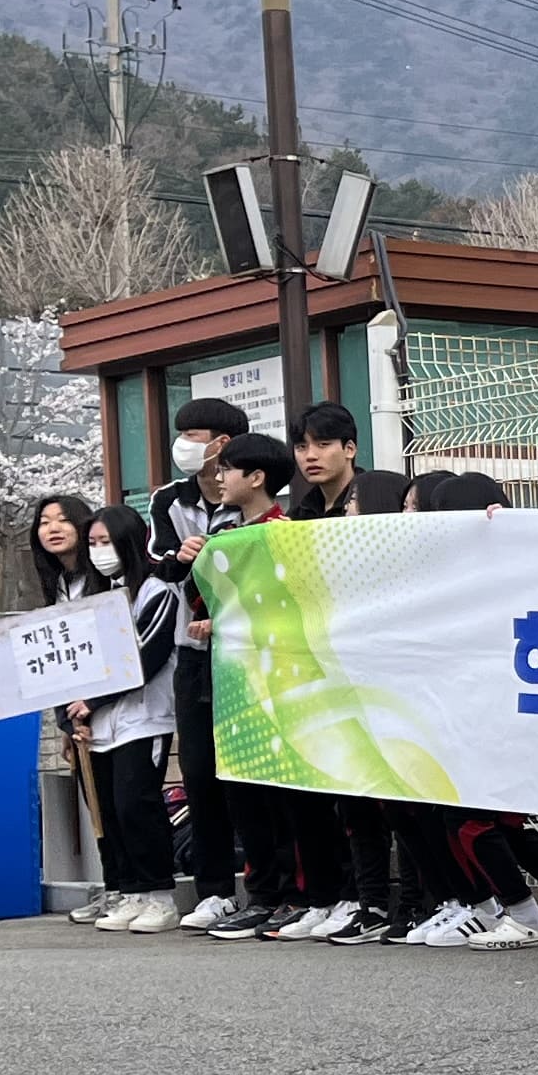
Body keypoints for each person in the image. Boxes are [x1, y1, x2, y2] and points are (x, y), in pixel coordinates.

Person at [282, 404, 409, 938]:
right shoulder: (300, 516)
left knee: (400, 796)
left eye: (322, 444)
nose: (310, 456)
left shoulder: (382, 499)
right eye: (302, 446)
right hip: (328, 668)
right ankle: (367, 901)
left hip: (387, 667)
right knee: (350, 792)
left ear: (350, 448)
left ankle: (418, 902)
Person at [187, 432, 318, 938]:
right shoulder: (223, 537)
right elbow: (207, 604)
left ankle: (294, 895)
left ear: (257, 477)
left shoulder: (285, 532)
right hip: (232, 684)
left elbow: (294, 603)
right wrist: (192, 565)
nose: (219, 477)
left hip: (279, 682)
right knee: (243, 794)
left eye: (228, 469)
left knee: (282, 796)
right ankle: (262, 894)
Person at [148, 393, 252, 931]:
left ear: (222, 444)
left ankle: (268, 886)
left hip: (249, 654)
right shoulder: (169, 498)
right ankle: (214, 891)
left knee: (251, 774)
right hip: (191, 655)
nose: (182, 445)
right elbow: (156, 561)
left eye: (192, 436)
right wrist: (178, 556)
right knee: (199, 772)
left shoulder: (254, 493)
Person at [58, 498, 185, 933]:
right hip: (96, 727)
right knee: (109, 810)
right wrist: (70, 716)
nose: (98, 551)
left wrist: (93, 700)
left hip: (142, 718)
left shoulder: (156, 592)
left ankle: (159, 894)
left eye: (106, 542)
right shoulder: (90, 598)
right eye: (92, 543)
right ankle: (130, 890)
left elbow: (145, 658)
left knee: (137, 804)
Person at [26, 490, 119, 921]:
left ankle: (135, 889)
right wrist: (66, 722)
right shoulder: (57, 586)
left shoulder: (104, 580)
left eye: (63, 519)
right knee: (95, 802)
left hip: (114, 706)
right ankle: (114, 887)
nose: (53, 528)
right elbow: (58, 664)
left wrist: (92, 704)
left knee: (121, 804)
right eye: (44, 522)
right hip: (77, 714)